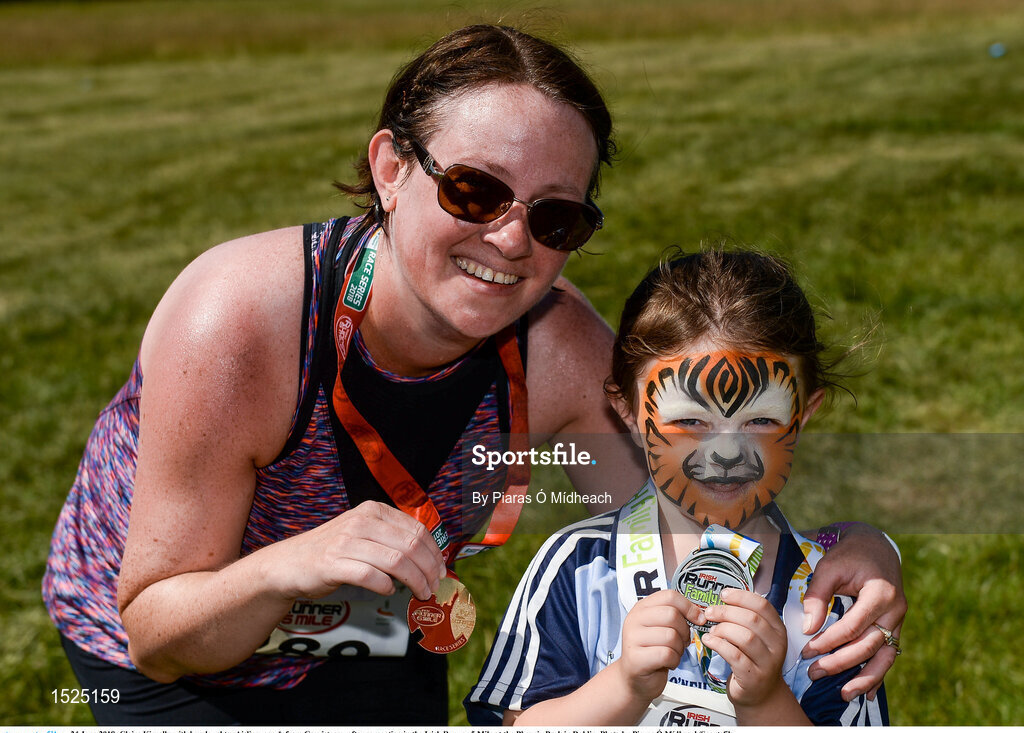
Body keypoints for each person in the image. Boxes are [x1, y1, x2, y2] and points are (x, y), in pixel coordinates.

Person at [42, 25, 903, 725]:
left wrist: (861, 549)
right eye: (473, 190)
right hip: (164, 659)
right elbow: (155, 627)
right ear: (389, 167)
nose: (512, 240)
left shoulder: (560, 350)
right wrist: (289, 565)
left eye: (557, 215)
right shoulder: (239, 321)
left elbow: (697, 499)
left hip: (374, 629)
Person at [466, 250, 899, 726]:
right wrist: (623, 686)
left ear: (804, 413)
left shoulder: (828, 604)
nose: (727, 453)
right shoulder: (577, 569)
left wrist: (765, 701)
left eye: (760, 420)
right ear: (629, 412)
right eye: (690, 420)